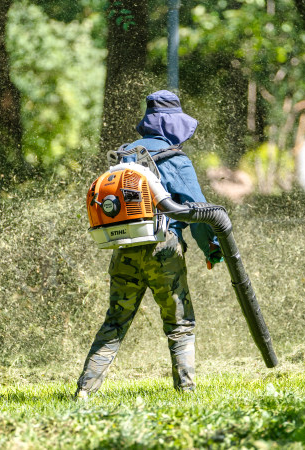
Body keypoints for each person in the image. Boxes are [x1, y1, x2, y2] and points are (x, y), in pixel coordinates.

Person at [75, 90, 223, 399]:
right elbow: (196, 211)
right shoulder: (176, 159)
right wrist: (211, 248)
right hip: (163, 248)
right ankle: (186, 391)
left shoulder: (123, 155)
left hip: (124, 247)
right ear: (174, 126)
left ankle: (85, 390)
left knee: (115, 320)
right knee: (180, 323)